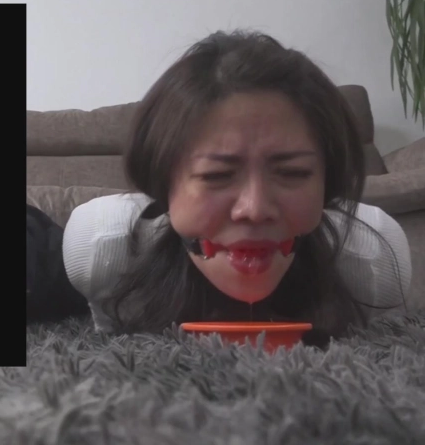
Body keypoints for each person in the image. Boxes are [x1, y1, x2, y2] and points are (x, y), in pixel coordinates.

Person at [61, 30, 412, 341]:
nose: (255, 210)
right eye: (216, 176)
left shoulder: (373, 260)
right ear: (163, 185)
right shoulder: (103, 245)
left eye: (292, 173)